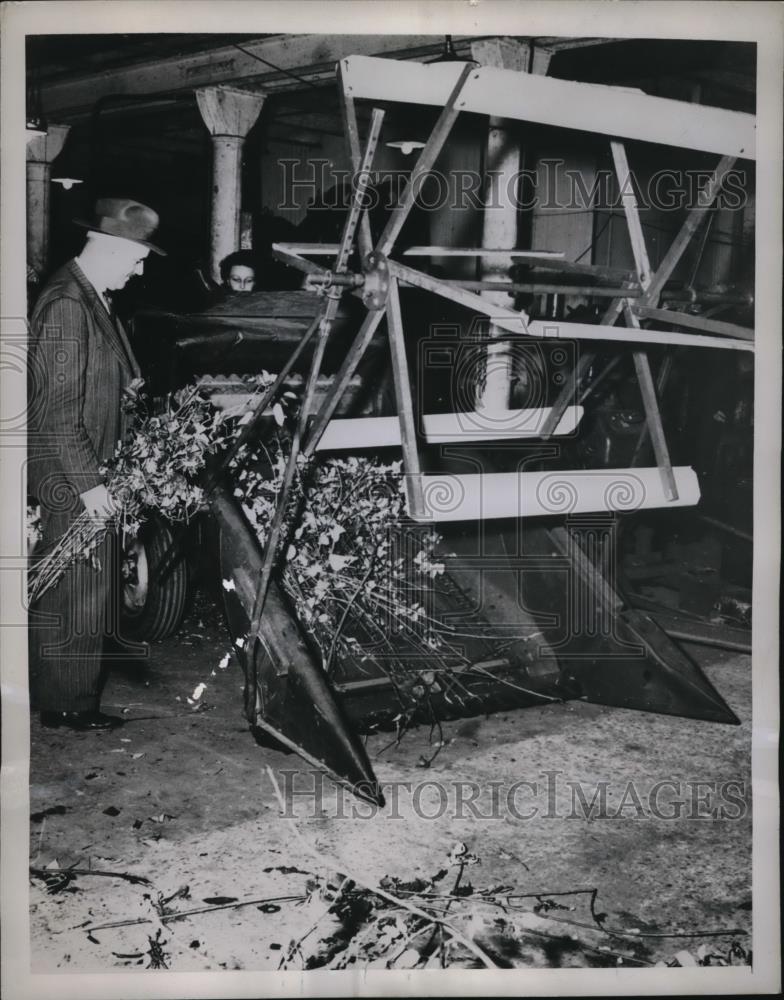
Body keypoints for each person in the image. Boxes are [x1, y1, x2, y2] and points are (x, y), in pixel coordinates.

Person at [27, 198, 165, 731]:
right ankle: (66, 704)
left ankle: (63, 693)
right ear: (108, 247)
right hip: (69, 474)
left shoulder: (92, 298)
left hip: (89, 465)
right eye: (137, 257)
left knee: (85, 585)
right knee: (79, 590)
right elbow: (57, 411)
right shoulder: (67, 303)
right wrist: (89, 487)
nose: (141, 268)